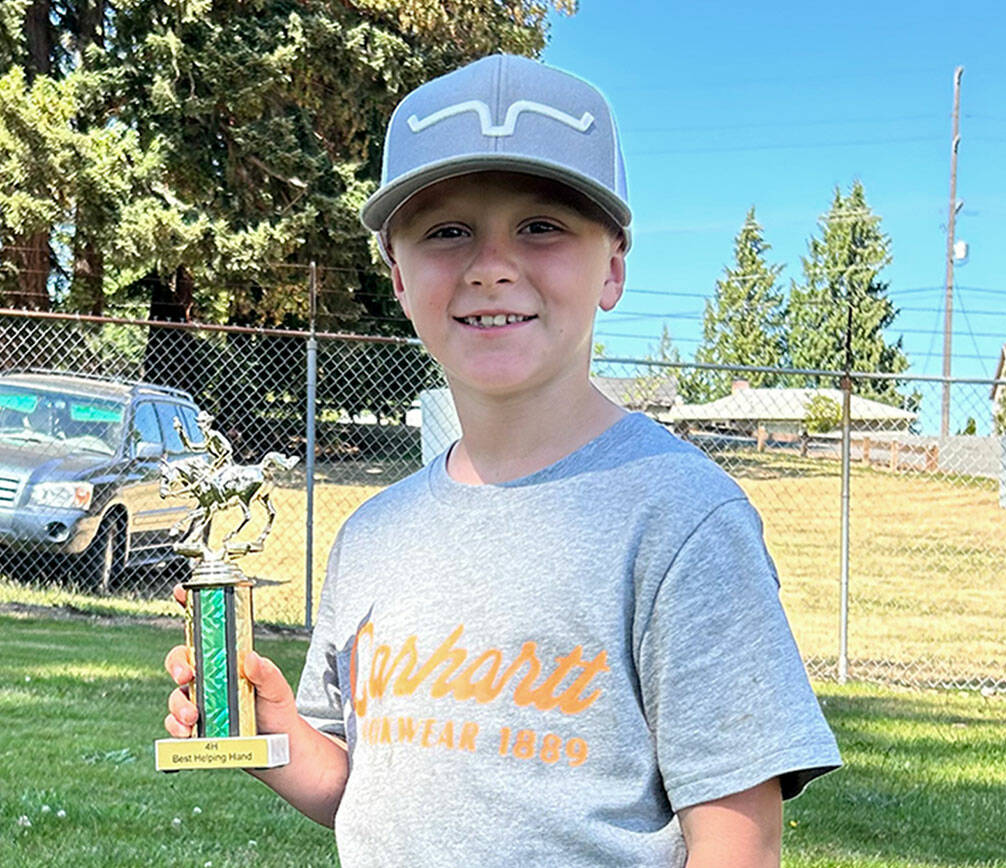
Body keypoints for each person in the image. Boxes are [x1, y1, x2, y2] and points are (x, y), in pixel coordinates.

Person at [164, 53, 841, 865]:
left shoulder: (682, 518)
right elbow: (362, 789)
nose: (491, 267)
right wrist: (268, 727)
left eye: (541, 227)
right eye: (447, 232)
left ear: (612, 267)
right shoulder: (374, 535)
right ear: (398, 275)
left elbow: (738, 843)